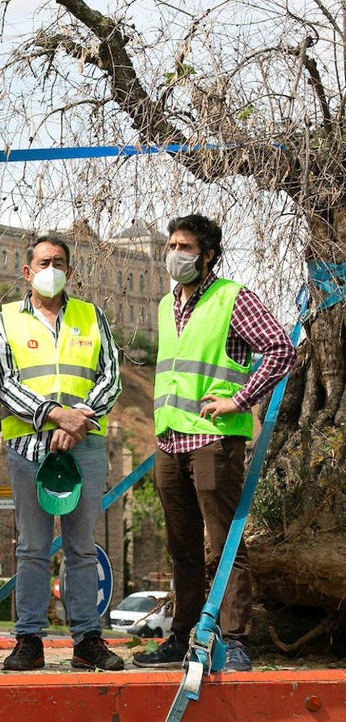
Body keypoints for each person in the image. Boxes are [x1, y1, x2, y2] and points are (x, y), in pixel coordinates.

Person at [133, 214, 295, 672]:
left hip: (214, 440)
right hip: (169, 441)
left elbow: (281, 349)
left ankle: (235, 640)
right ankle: (181, 638)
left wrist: (240, 400)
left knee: (224, 545)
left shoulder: (232, 297)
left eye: (184, 247)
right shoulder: (166, 305)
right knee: (182, 548)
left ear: (207, 255)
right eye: (171, 246)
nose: (174, 254)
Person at [0, 235, 125, 672]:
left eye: (59, 262)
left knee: (82, 547)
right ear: (27, 271)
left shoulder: (91, 316)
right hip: (29, 448)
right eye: (44, 262)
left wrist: (77, 419)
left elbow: (111, 377)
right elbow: (5, 384)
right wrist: (54, 416)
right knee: (32, 547)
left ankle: (87, 639)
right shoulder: (6, 320)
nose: (52, 269)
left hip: (84, 445)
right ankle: (29, 640)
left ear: (70, 270)